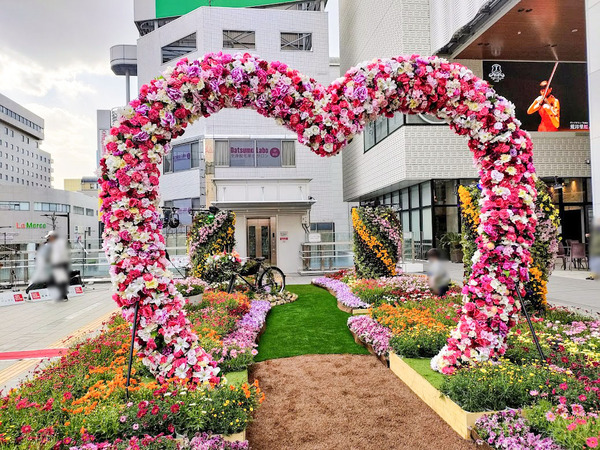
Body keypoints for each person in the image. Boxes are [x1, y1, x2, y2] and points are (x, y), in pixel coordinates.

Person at [48, 232, 71, 301]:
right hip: (62, 263)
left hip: (59, 263)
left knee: (59, 280)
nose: (49, 239)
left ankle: (63, 296)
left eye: (49, 237)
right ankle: (62, 295)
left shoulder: (57, 244)